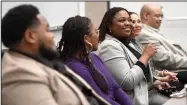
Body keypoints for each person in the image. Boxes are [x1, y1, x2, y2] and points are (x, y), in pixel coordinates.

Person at [2, 4, 110, 105]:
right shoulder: (20, 75)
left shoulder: (43, 61)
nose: (53, 36)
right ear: (31, 36)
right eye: (47, 30)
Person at [97, 7, 170, 105]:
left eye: (129, 20)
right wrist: (145, 56)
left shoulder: (128, 43)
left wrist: (154, 83)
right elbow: (128, 82)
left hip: (146, 94)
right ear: (110, 25)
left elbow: (140, 76)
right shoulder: (109, 46)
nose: (128, 23)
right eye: (122, 20)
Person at [57, 15, 133, 105]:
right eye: (96, 32)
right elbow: (100, 99)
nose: (99, 35)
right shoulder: (75, 67)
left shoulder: (94, 57)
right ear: (86, 39)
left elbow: (115, 87)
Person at [136, 3, 187, 71]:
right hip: (170, 73)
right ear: (146, 15)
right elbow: (163, 59)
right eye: (157, 16)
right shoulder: (145, 34)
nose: (160, 19)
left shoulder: (153, 32)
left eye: (161, 16)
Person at [129, 11, 178, 82]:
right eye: (133, 22)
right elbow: (133, 78)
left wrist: (162, 73)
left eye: (139, 22)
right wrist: (160, 80)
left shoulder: (136, 43)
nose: (138, 25)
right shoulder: (131, 44)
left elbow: (148, 71)